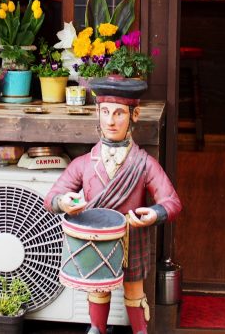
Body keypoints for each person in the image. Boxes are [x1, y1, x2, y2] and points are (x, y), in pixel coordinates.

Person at [44, 76, 182, 334]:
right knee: (98, 289)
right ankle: (97, 328)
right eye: (105, 112)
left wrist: (154, 213)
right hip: (97, 239)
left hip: (132, 236)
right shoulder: (85, 163)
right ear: (97, 113)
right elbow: (53, 196)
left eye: (119, 113)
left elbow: (172, 202)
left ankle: (140, 331)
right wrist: (63, 202)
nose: (110, 121)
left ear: (135, 114)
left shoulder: (143, 164)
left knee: (134, 291)